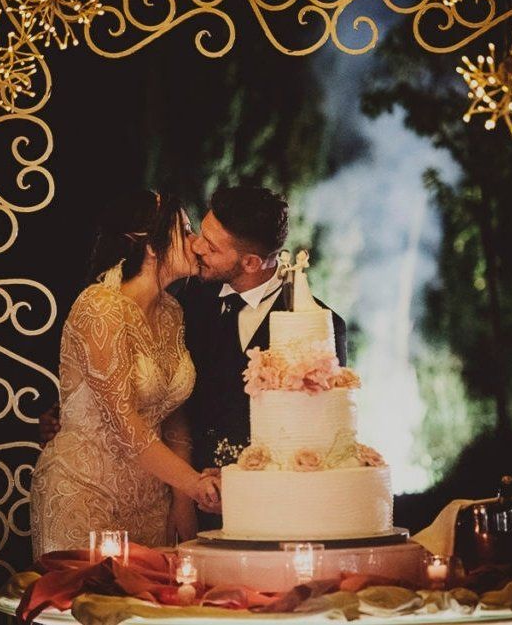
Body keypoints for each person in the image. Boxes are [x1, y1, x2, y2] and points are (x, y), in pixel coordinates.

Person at [38, 185, 347, 535]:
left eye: (210, 246)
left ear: (250, 262)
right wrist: (68, 412)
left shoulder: (314, 326)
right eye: (195, 231)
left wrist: (235, 482)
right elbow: (118, 385)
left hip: (262, 509)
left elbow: (315, 433)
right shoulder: (189, 299)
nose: (197, 245)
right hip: (166, 495)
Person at [29, 190, 221, 558]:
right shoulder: (100, 307)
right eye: (185, 230)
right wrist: (196, 485)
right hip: (85, 491)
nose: (196, 242)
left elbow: (172, 415)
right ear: (150, 245)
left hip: (152, 502)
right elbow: (122, 423)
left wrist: (181, 501)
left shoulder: (172, 312)